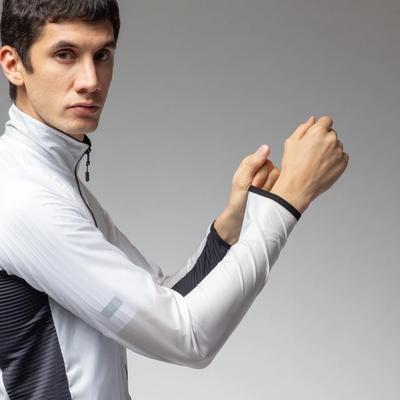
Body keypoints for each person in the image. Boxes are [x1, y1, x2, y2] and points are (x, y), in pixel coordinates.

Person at [0, 1, 348, 399]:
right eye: (65, 55)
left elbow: (165, 297)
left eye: (102, 55)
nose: (90, 80)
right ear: (14, 65)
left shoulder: (49, 178)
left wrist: (231, 225)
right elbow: (187, 337)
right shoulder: (23, 196)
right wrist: (289, 199)